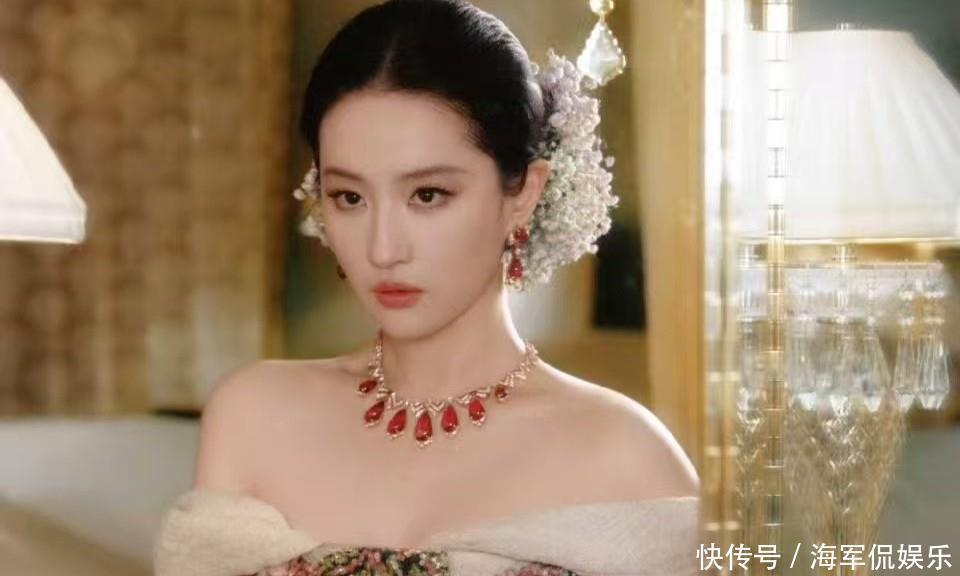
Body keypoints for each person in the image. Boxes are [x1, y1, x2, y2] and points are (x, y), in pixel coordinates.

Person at [154, 1, 700, 574]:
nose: (383, 248)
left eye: (428, 195)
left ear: (523, 194)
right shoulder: (254, 416)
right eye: (349, 197)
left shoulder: (623, 455)